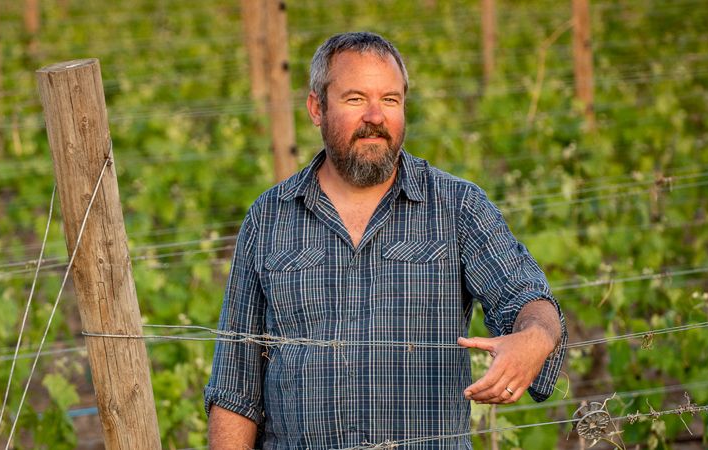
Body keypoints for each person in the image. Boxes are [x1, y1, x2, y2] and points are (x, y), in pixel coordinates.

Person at [204, 31, 566, 449]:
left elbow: (526, 295)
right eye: (356, 99)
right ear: (316, 108)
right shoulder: (268, 218)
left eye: (390, 100)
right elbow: (235, 389)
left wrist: (533, 338)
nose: (376, 116)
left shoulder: (456, 206)